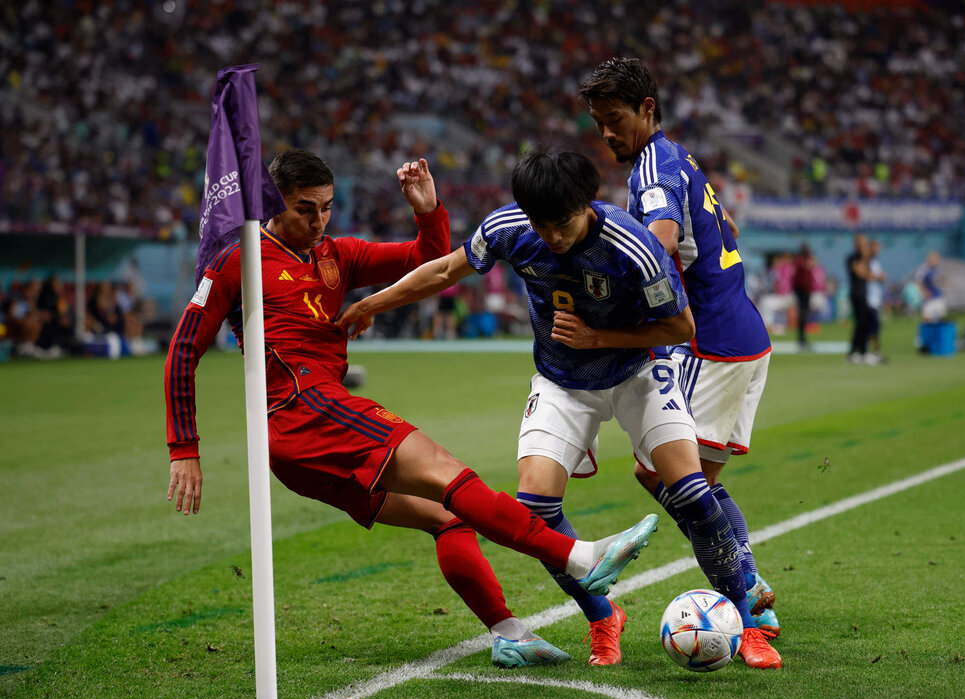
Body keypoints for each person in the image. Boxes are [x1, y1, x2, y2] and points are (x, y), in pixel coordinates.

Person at [164, 149, 657, 668]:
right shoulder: (238, 260)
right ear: (272, 203)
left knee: (447, 518)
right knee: (448, 474)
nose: (318, 221)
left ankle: (509, 632)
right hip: (302, 408)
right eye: (304, 209)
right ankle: (582, 557)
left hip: (306, 439)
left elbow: (429, 259)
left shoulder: (336, 254)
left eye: (327, 207)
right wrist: (184, 449)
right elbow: (183, 349)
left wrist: (427, 209)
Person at [340, 150, 782, 669]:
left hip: (639, 372)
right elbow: (444, 271)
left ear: (587, 204)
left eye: (562, 223)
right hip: (561, 383)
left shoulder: (633, 246)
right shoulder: (508, 226)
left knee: (690, 492)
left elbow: (681, 328)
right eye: (540, 223)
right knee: (535, 511)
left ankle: (748, 626)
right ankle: (602, 617)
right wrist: (372, 302)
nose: (550, 235)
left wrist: (599, 337)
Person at [577, 58, 781, 651]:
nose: (607, 134)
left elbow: (661, 240)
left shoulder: (652, 170)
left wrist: (610, 304)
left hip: (707, 343)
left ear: (647, 109)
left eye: (615, 120)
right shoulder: (678, 156)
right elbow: (725, 226)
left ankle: (749, 608)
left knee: (667, 477)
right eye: (598, 123)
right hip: (743, 338)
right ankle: (749, 592)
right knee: (697, 487)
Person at [846, 233, 875, 363]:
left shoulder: (866, 259)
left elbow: (868, 274)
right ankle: (856, 351)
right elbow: (861, 273)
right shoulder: (853, 257)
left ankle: (861, 350)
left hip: (864, 293)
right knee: (861, 321)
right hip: (856, 293)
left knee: (865, 322)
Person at [866, 240, 887, 360]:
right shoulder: (867, 261)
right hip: (869, 300)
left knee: (876, 327)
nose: (877, 250)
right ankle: (872, 351)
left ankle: (875, 351)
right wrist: (879, 276)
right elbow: (865, 275)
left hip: (876, 299)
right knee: (872, 326)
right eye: (875, 248)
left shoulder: (876, 262)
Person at [792, 245, 816, 348]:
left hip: (805, 290)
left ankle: (802, 338)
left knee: (804, 314)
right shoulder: (801, 261)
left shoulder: (802, 261)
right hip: (802, 290)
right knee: (803, 313)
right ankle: (801, 338)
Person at [917, 250, 946, 322]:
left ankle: (937, 332)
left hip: (938, 296)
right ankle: (928, 332)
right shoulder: (924, 269)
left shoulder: (939, 269)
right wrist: (924, 291)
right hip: (929, 298)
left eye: (935, 259)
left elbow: (942, 280)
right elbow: (918, 281)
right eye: (931, 259)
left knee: (940, 317)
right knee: (927, 318)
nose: (933, 261)